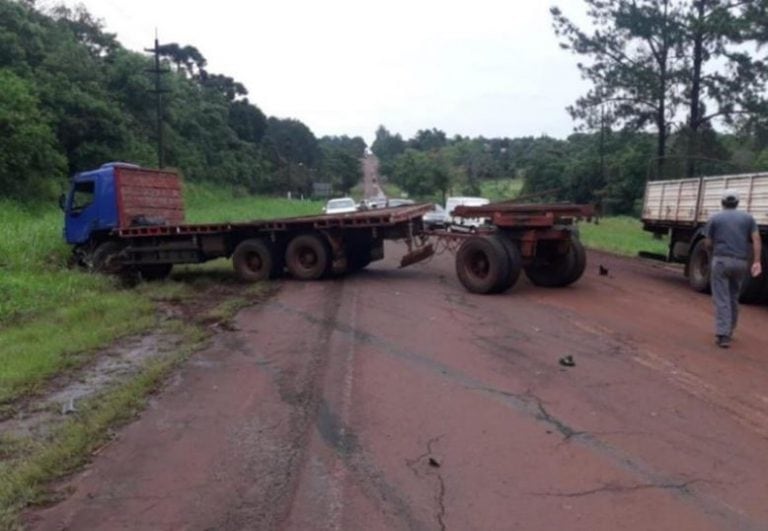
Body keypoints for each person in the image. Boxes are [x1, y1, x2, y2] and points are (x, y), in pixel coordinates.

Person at [704, 189, 763, 348]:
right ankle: (730, 329)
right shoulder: (748, 218)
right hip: (740, 263)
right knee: (733, 296)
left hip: (721, 261)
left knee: (721, 298)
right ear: (737, 203)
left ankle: (723, 335)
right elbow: (756, 239)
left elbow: (708, 242)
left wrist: (711, 252)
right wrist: (757, 261)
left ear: (722, 202)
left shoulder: (715, 218)